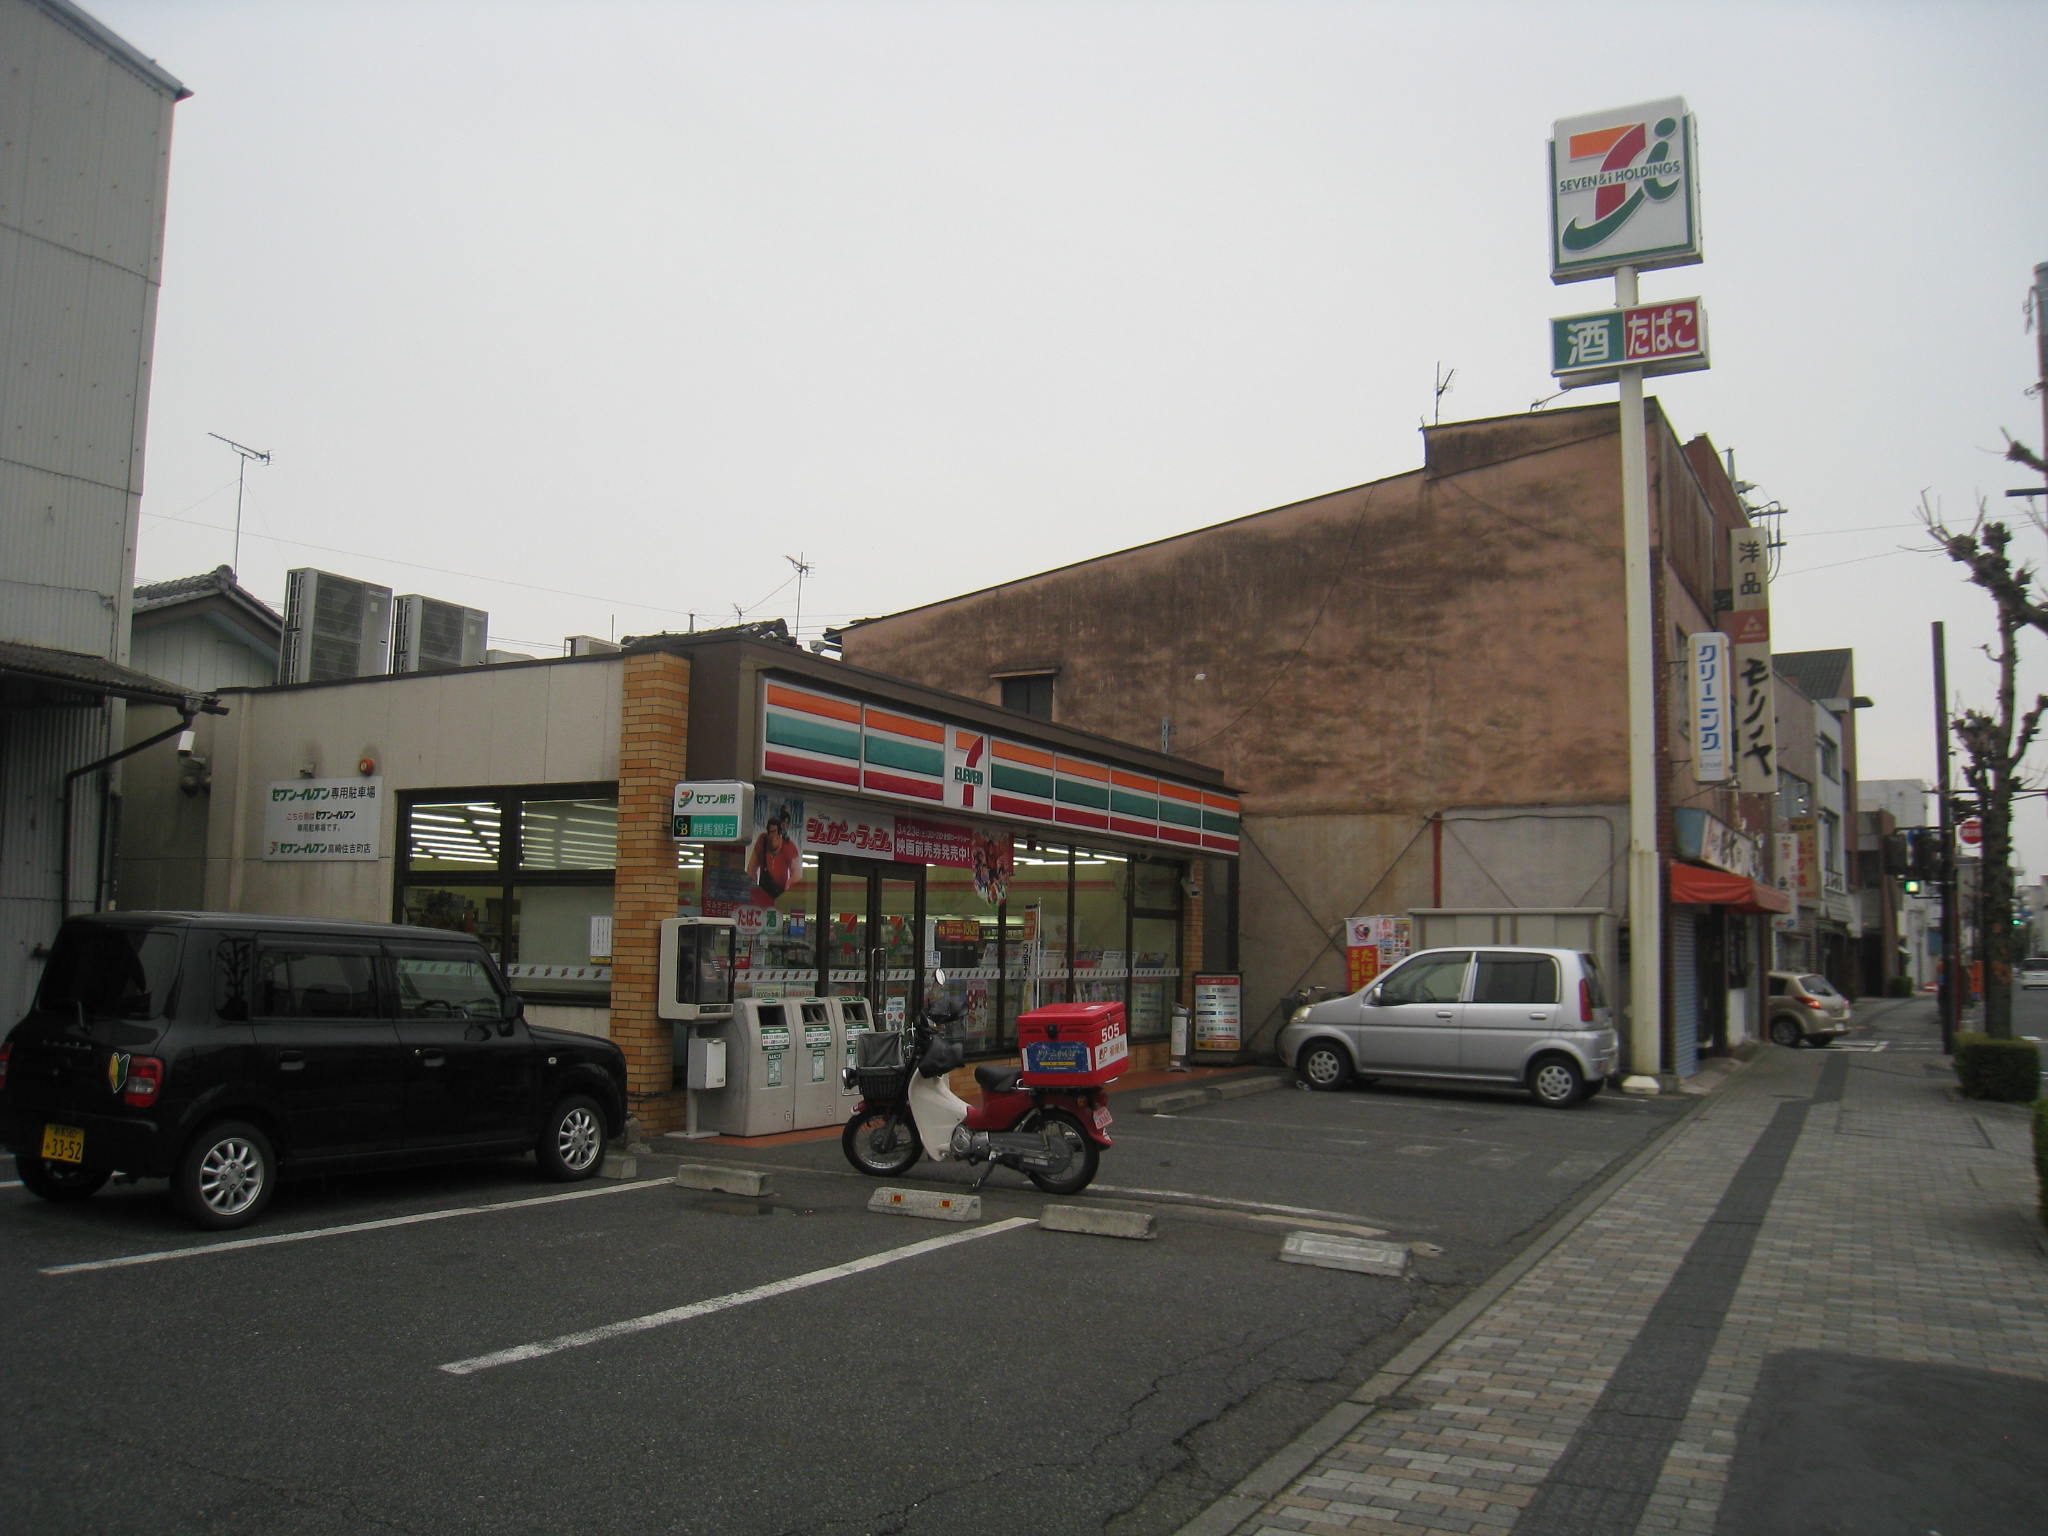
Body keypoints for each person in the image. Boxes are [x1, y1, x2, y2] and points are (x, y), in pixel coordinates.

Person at [748, 814, 801, 901]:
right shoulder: (762, 840)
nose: (772, 836)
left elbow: (797, 874)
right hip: (763, 892)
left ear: (780, 834)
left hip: (780, 893)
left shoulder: (789, 846)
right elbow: (751, 869)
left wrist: (788, 890)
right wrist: (753, 894)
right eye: (770, 832)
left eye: (774, 832)